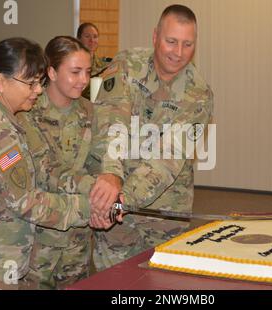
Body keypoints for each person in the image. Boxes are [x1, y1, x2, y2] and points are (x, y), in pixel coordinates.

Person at [0, 38, 100, 289]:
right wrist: (91, 207)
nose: (37, 90)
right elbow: (27, 202)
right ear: (1, 81)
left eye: (39, 82)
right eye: (31, 83)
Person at [87, 4, 214, 271]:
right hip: (114, 199)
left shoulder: (199, 94)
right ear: (155, 36)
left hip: (165, 212)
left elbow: (168, 158)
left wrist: (122, 199)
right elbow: (111, 122)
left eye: (187, 44)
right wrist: (111, 175)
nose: (178, 53)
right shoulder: (126, 65)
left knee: (165, 283)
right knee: (115, 282)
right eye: (171, 41)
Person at [16, 36, 120, 289]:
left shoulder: (90, 111)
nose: (83, 80)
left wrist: (110, 188)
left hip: (77, 236)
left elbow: (102, 159)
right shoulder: (27, 112)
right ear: (51, 72)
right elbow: (45, 172)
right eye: (75, 72)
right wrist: (98, 194)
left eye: (87, 72)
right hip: (37, 237)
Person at [77, 22, 112, 99]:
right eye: (87, 36)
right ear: (78, 39)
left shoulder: (105, 65)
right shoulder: (74, 64)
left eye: (95, 37)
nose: (92, 40)